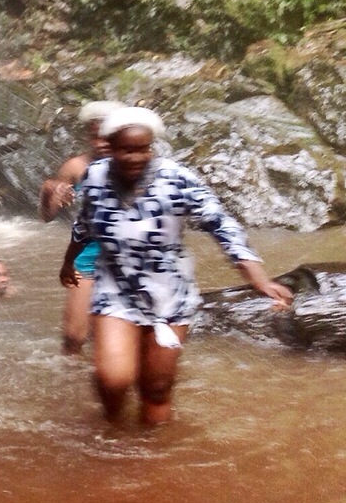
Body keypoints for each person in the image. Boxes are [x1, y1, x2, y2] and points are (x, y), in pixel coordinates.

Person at [59, 106, 293, 425]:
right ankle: (111, 433)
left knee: (156, 387)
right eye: (128, 150)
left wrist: (258, 278)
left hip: (168, 291)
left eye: (144, 149)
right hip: (116, 288)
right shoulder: (96, 176)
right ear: (111, 148)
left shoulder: (176, 178)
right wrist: (68, 260)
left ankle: (153, 457)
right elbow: (85, 223)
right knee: (113, 379)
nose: (137, 157)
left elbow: (220, 223)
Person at [40, 100, 124, 354]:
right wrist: (49, 192)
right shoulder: (75, 167)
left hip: (129, 257)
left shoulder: (134, 163)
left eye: (106, 137)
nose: (99, 143)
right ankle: (71, 387)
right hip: (87, 255)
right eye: (93, 136)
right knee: (73, 338)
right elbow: (47, 216)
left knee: (118, 337)